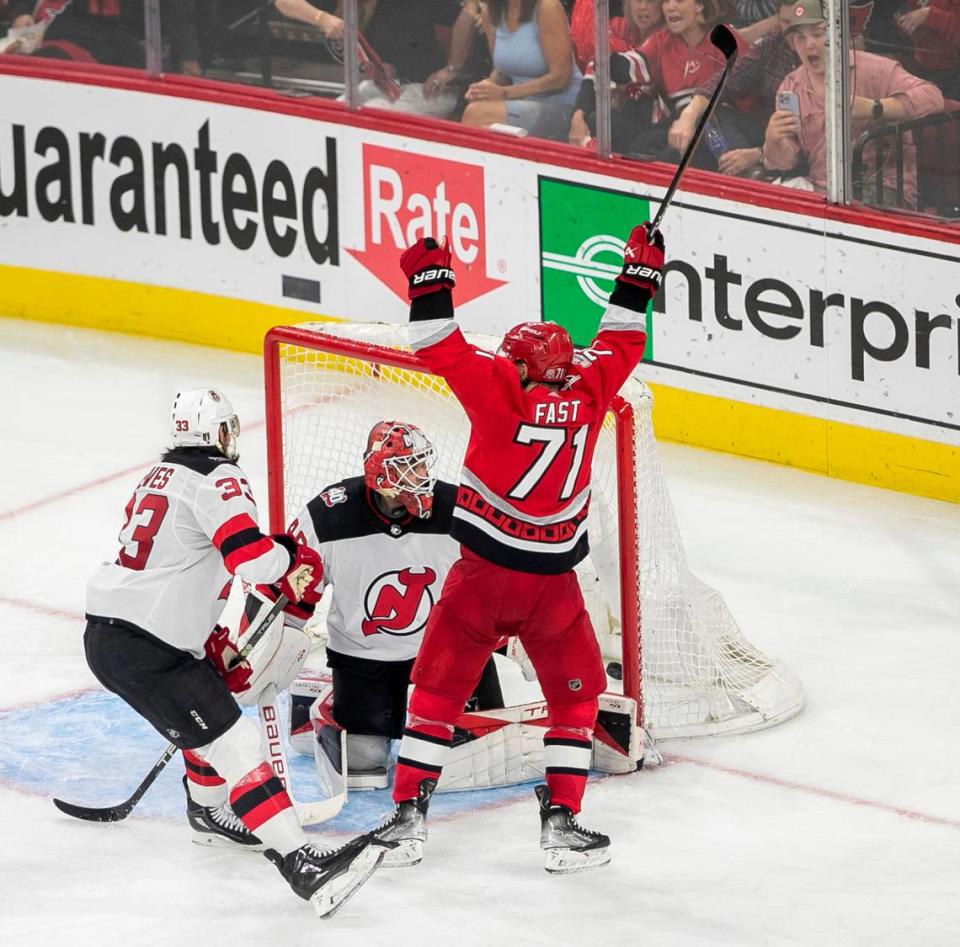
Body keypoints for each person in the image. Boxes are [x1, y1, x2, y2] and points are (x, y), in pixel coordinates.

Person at [365, 221, 666, 874]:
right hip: (552, 587)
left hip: (483, 578)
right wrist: (638, 274)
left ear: (523, 368)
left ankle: (409, 815)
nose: (504, 361)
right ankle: (562, 821)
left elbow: (436, 341)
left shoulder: (500, 392)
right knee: (575, 697)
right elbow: (622, 337)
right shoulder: (590, 392)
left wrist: (430, 276)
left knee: (437, 691)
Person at [83, 387, 389, 917]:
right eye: (229, 428)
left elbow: (172, 566)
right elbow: (251, 559)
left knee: (211, 714)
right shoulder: (218, 477)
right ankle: (302, 865)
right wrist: (290, 557)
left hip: (115, 634)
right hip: (146, 645)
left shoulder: (160, 477)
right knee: (239, 747)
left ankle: (207, 816)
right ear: (217, 433)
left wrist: (203, 642)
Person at [762, 0, 944, 208]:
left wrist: (875, 108)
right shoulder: (790, 87)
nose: (809, 44)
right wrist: (774, 140)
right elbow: (786, 161)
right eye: (800, 38)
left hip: (883, 189)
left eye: (818, 34)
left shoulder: (875, 69)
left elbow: (933, 97)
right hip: (821, 191)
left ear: (837, 34)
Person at [274, 0, 478, 118]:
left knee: (368, 116)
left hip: (427, 89)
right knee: (329, 113)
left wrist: (452, 68)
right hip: (384, 84)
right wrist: (322, 18)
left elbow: (466, 14)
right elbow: (283, 2)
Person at [612, 0, 746, 163]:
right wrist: (607, 58)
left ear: (700, 6)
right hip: (683, 128)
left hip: (729, 129)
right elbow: (630, 65)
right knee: (642, 144)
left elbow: (745, 92)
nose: (670, 7)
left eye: (679, 1)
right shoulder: (663, 40)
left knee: (671, 158)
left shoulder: (723, 37)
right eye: (666, 1)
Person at [462, 0, 583, 140]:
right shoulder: (490, 12)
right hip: (519, 100)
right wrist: (484, 89)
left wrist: (506, 93)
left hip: (565, 108)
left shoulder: (547, 7)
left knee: (477, 113)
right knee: (477, 107)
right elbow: (503, 72)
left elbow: (561, 78)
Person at [568, 0, 666, 150]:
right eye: (638, 0)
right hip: (620, 116)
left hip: (653, 126)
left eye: (651, 1)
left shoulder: (667, 39)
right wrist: (578, 116)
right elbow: (595, 69)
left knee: (599, 121)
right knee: (587, 119)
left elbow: (620, 67)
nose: (643, 7)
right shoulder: (617, 28)